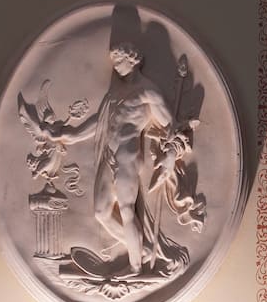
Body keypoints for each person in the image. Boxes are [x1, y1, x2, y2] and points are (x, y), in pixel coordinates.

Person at [44, 42, 178, 274]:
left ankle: (135, 267)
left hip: (127, 155)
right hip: (109, 155)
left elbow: (170, 127)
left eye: (118, 60)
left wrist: (170, 155)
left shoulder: (148, 92)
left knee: (126, 210)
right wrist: (71, 134)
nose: (115, 65)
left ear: (132, 59)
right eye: (114, 61)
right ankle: (141, 249)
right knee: (101, 213)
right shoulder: (115, 92)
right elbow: (101, 121)